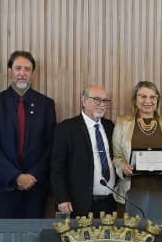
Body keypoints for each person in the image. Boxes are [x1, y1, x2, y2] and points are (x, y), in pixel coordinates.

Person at [0, 51, 56, 218]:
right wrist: (15, 176)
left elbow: (50, 145)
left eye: (27, 69)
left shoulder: (46, 104)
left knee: (34, 237)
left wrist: (33, 175)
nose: (22, 73)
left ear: (32, 73)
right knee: (6, 237)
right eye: (18, 68)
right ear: (10, 71)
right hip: (4, 184)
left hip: (36, 185)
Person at [50, 84, 118, 216]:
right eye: (96, 99)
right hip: (79, 203)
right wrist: (62, 198)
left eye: (105, 101)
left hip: (109, 202)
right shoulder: (66, 128)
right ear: (84, 101)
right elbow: (57, 168)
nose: (101, 104)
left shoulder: (110, 126)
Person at [112, 80, 162, 201]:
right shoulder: (122, 123)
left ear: (157, 100)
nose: (148, 101)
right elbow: (117, 156)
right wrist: (123, 167)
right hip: (130, 192)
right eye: (143, 96)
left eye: (152, 97)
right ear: (135, 100)